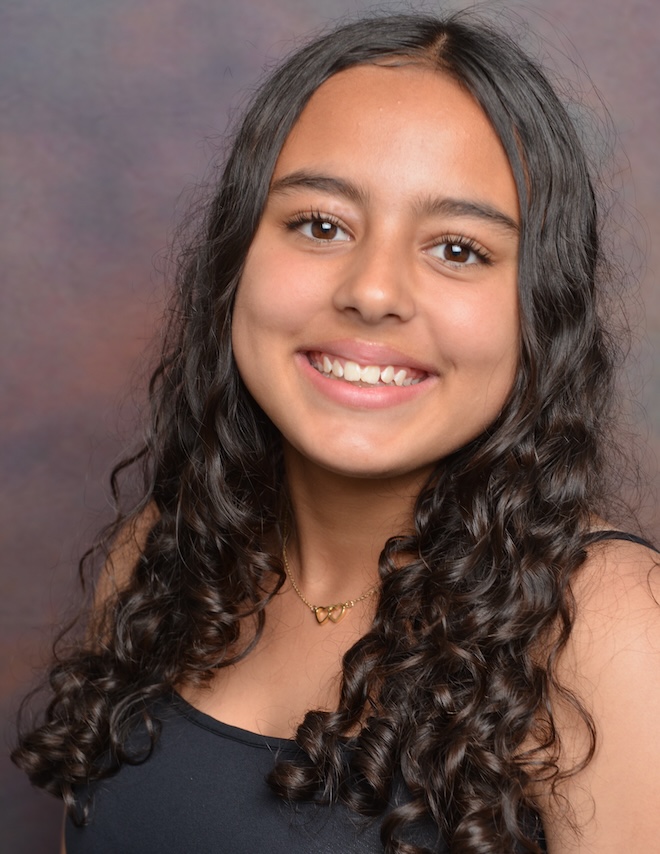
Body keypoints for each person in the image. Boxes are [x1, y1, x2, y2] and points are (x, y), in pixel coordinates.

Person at [12, 10, 660, 854]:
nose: (373, 291)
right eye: (321, 225)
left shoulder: (604, 627)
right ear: (237, 260)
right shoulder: (160, 559)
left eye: (458, 249)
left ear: (540, 310)